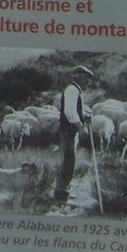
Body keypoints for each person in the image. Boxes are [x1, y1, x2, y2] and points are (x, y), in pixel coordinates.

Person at [55, 67, 92, 202]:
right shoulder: (72, 90)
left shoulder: (76, 90)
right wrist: (81, 127)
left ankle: (64, 189)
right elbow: (69, 111)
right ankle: (61, 195)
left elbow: (76, 109)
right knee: (68, 161)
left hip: (70, 131)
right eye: (86, 78)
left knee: (69, 160)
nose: (88, 82)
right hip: (67, 131)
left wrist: (85, 115)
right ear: (78, 77)